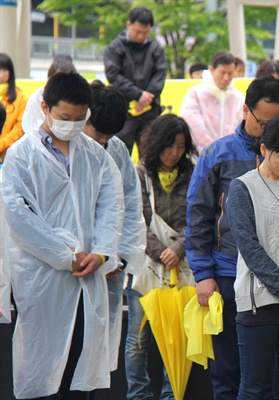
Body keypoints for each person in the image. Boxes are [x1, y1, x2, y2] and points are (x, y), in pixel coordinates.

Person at [186, 77, 279, 400]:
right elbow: (198, 216)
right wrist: (203, 274)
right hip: (231, 275)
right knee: (231, 371)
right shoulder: (217, 154)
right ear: (245, 110)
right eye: (265, 123)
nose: (274, 129)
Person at [1, 72, 124, 399]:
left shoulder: (97, 156)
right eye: (64, 117)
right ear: (45, 107)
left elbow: (112, 207)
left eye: (79, 118)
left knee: (78, 375)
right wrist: (65, 255)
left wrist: (101, 252)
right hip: (42, 279)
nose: (72, 124)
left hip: (88, 277)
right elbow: (20, 216)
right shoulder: (21, 156)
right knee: (42, 372)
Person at [227, 114, 279, 399]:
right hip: (260, 301)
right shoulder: (242, 187)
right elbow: (250, 248)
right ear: (264, 149)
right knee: (253, 388)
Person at [124, 114, 196, 400]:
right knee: (137, 341)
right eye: (169, 145)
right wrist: (161, 252)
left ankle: (171, 394)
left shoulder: (193, 173)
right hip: (146, 266)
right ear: (155, 143)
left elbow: (201, 217)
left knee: (176, 336)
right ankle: (138, 395)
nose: (174, 153)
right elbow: (134, 220)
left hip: (182, 265)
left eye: (180, 146)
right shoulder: (139, 173)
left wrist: (178, 249)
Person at [82, 81, 146, 376]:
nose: (103, 139)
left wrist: (118, 254)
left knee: (99, 348)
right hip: (70, 260)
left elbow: (130, 207)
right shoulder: (63, 148)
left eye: (110, 134)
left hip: (109, 264)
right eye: (99, 132)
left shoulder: (117, 150)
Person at [104, 6, 167, 153]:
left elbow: (160, 74)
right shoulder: (114, 47)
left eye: (145, 32)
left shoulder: (156, 48)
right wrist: (138, 95)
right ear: (128, 25)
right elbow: (113, 75)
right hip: (124, 109)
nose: (141, 36)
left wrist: (146, 97)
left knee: (152, 151)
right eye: (137, 31)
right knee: (119, 151)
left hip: (150, 109)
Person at [180, 52, 245, 152]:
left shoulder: (239, 98)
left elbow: (242, 126)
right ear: (211, 70)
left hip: (231, 155)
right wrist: (212, 149)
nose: (226, 78)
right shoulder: (196, 94)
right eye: (222, 73)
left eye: (230, 73)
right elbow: (193, 125)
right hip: (202, 155)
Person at [22, 54, 77, 135]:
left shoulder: (78, 97)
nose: (61, 83)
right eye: (58, 79)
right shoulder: (39, 96)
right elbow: (30, 126)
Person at [0, 53, 28, 160]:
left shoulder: (21, 98)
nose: (1, 73)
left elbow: (19, 129)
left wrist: (1, 145)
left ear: (10, 73)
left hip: (8, 156)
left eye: (3, 69)